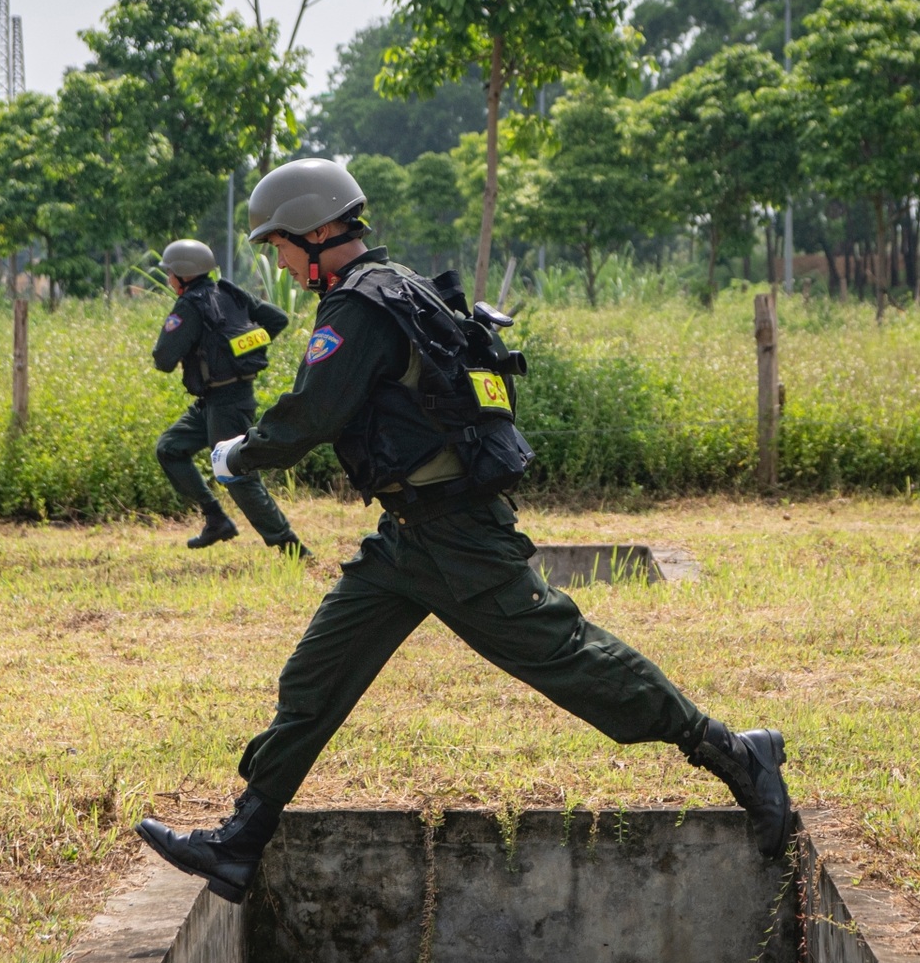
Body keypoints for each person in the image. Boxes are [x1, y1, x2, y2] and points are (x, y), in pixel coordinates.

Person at [136, 160, 792, 904]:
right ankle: (241, 842)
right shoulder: (397, 284)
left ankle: (737, 755)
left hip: (456, 536)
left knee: (570, 660)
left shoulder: (360, 307)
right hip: (406, 536)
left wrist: (240, 453)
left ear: (318, 232)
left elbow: (312, 414)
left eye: (280, 245)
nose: (278, 262)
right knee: (316, 676)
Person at [152, 238, 308, 557]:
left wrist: (232, 349)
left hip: (228, 404)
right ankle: (216, 519)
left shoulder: (190, 305)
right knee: (170, 448)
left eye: (170, 273)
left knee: (236, 475)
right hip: (215, 401)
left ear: (182, 274)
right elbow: (277, 319)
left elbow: (164, 360)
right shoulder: (229, 292)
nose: (168, 279)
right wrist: (243, 347)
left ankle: (290, 547)